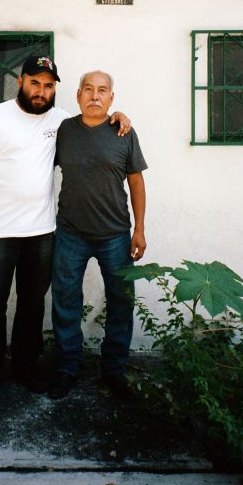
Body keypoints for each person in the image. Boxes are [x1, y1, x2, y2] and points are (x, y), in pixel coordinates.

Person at [0, 56, 130, 402]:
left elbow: (93, 129)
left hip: (41, 231)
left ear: (55, 89)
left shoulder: (61, 122)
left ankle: (25, 367)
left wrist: (119, 116)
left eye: (48, 85)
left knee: (32, 303)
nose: (41, 91)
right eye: (35, 83)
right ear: (21, 82)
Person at [49, 70, 147, 400]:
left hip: (116, 234)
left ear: (111, 98)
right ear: (77, 96)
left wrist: (140, 230)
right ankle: (66, 368)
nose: (95, 95)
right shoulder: (63, 130)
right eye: (88, 90)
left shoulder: (123, 132)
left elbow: (136, 181)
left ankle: (114, 370)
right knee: (66, 302)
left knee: (121, 302)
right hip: (70, 233)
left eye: (102, 90)